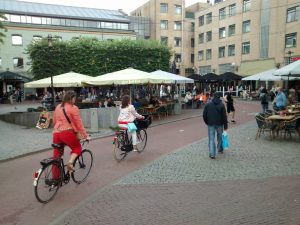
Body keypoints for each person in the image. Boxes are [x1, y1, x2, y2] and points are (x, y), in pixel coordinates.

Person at [52, 91, 90, 180]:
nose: (75, 100)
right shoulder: (73, 108)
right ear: (71, 98)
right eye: (74, 98)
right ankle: (70, 163)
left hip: (56, 133)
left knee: (56, 156)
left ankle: (56, 179)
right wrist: (85, 135)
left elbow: (54, 121)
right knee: (77, 148)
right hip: (67, 132)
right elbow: (79, 124)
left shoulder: (58, 106)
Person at [203, 92, 228, 159]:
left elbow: (204, 115)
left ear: (213, 96)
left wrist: (207, 122)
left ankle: (212, 154)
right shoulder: (222, 105)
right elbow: (224, 116)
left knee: (211, 139)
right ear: (219, 97)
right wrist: (225, 126)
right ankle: (219, 149)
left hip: (210, 123)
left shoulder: (208, 104)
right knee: (220, 137)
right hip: (220, 124)